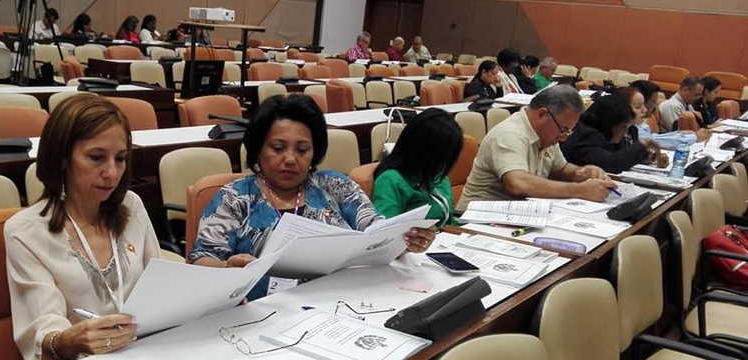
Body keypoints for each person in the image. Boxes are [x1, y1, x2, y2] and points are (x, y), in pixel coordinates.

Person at [189, 94, 435, 299]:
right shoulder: (235, 198)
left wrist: (406, 240)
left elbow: (376, 230)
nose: (290, 159)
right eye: (277, 148)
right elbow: (201, 260)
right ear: (257, 150)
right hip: (258, 313)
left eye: (302, 149)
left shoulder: (336, 186)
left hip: (336, 303)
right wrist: (226, 267)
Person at [5, 94, 159, 360]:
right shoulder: (25, 232)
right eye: (96, 158)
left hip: (148, 357)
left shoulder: (131, 205)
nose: (112, 173)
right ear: (62, 158)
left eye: (121, 158)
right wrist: (69, 341)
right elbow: (44, 333)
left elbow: (162, 283)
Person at [457, 85, 616, 208]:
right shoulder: (510, 134)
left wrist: (581, 173)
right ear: (542, 114)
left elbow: (560, 169)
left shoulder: (547, 134)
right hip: (477, 220)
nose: (563, 138)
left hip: (518, 213)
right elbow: (517, 184)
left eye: (568, 131)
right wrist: (579, 190)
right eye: (563, 129)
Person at [372, 109, 463, 228]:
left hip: (446, 240)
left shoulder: (439, 176)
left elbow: (447, 219)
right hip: (414, 244)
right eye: (442, 157)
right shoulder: (390, 180)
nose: (444, 164)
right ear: (423, 152)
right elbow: (386, 232)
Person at [560, 93, 661, 173]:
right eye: (623, 126)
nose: (625, 132)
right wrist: (643, 144)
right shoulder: (586, 135)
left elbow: (619, 153)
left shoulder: (601, 132)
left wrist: (648, 157)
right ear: (611, 122)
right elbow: (612, 163)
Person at [632, 79, 709, 149]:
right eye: (653, 102)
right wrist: (694, 137)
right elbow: (651, 141)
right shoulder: (672, 106)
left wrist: (678, 134)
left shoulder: (640, 122)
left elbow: (653, 137)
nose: (656, 106)